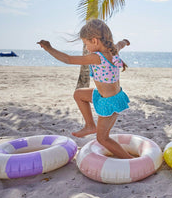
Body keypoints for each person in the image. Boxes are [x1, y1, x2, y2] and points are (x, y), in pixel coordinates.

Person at [38, 19, 133, 159]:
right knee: (79, 94)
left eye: (86, 43)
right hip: (104, 96)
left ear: (94, 41)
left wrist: (49, 48)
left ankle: (129, 160)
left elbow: (69, 59)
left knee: (103, 139)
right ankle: (90, 125)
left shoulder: (96, 57)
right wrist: (126, 41)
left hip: (109, 102)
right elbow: (121, 44)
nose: (86, 47)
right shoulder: (113, 49)